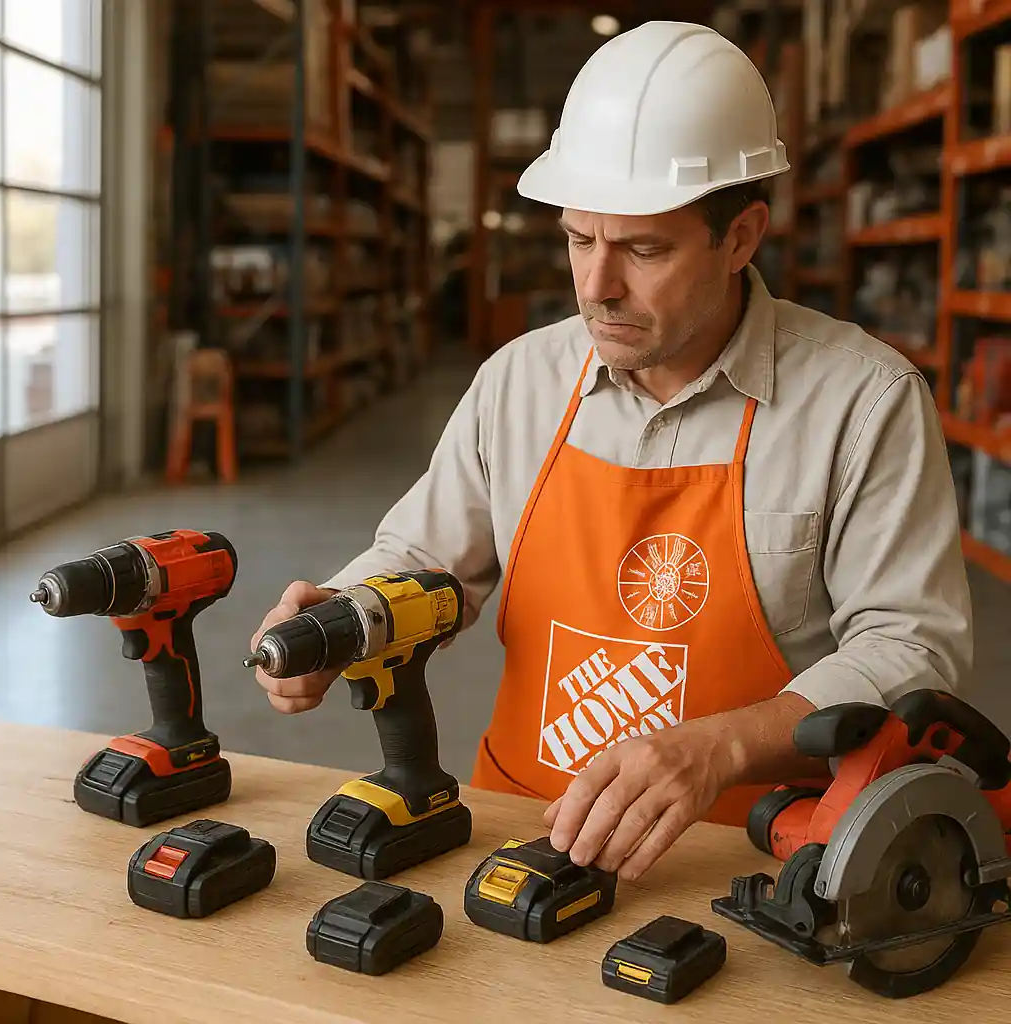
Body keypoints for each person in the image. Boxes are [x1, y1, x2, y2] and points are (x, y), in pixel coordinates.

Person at [251, 22, 972, 882]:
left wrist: (722, 745)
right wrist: (344, 615)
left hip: (749, 860)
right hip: (517, 834)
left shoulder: (862, 403)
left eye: (643, 248)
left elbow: (912, 646)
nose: (596, 288)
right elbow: (422, 556)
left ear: (741, 237)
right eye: (579, 239)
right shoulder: (519, 381)